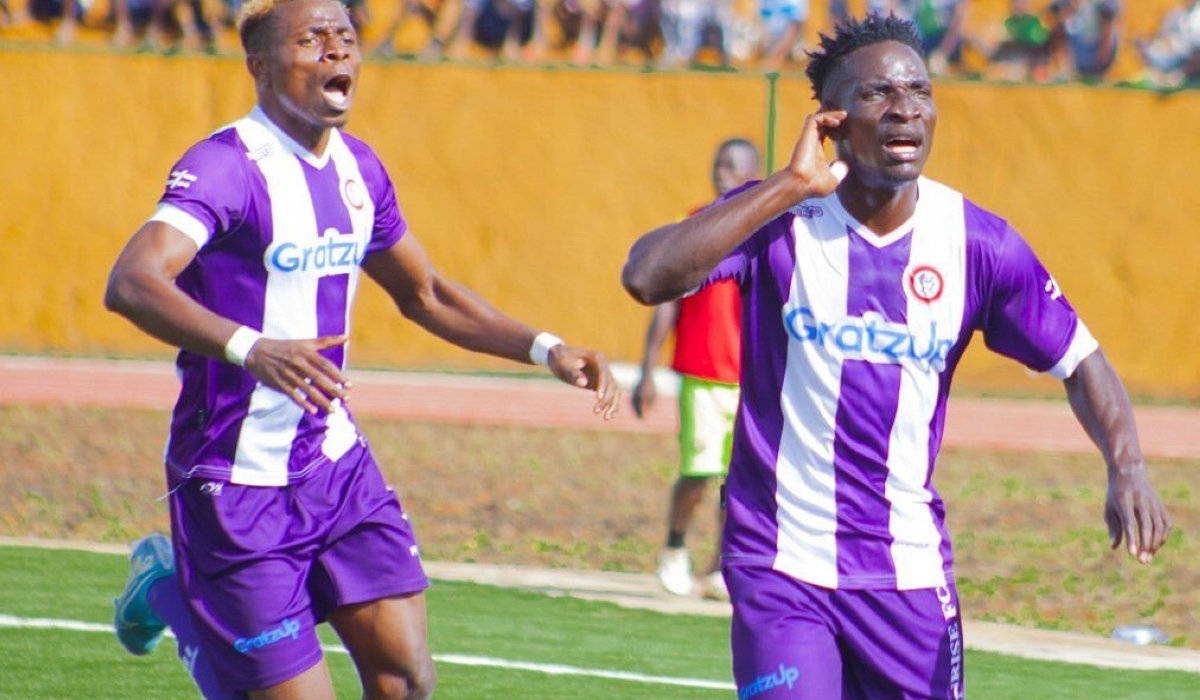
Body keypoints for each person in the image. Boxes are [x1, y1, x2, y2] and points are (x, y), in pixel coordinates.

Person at [621, 13, 1172, 699]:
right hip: (780, 562)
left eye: (919, 90)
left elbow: (1081, 360)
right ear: (832, 120)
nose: (906, 107)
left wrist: (1128, 467)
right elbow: (646, 276)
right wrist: (789, 185)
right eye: (878, 92)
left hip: (907, 575)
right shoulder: (778, 219)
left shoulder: (978, 243)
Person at [103, 1, 621, 698]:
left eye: (345, 37)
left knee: (406, 680)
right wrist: (253, 349)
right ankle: (169, 591)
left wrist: (545, 349)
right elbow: (132, 281)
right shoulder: (226, 167)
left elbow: (425, 293)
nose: (335, 50)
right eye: (311, 39)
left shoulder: (360, 170)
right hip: (235, 480)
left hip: (336, 466)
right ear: (260, 66)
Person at [632, 137, 760, 601]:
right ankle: (674, 546)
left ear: (752, 175)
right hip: (703, 373)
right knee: (699, 471)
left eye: (732, 166)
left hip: (751, 379)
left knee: (737, 480)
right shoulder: (694, 226)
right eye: (718, 164)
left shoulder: (766, 231)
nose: (722, 173)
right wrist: (647, 369)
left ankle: (722, 564)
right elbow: (666, 302)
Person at [1046, 0, 1121, 82]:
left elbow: (1109, 21)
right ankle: (1068, 72)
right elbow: (1053, 10)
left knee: (1111, 21)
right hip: (1076, 51)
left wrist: (1102, 56)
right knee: (1058, 26)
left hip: (1097, 54)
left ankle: (1096, 74)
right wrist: (1072, 8)